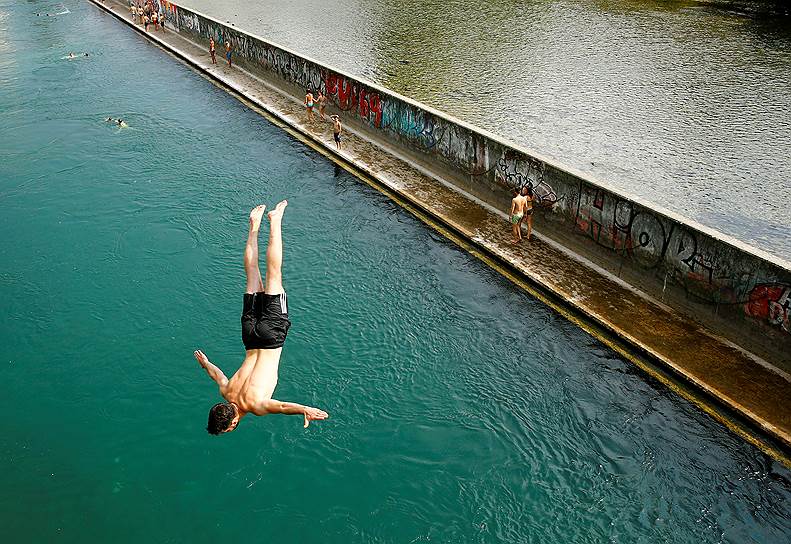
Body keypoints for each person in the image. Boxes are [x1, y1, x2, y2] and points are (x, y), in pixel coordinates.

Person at [194, 202, 329, 435]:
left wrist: (304, 409)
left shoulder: (255, 406)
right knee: (252, 274)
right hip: (249, 335)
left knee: (274, 274)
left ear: (233, 423)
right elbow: (217, 374)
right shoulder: (226, 392)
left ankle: (275, 220)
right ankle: (254, 226)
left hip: (271, 336)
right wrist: (205, 363)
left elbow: (283, 406)